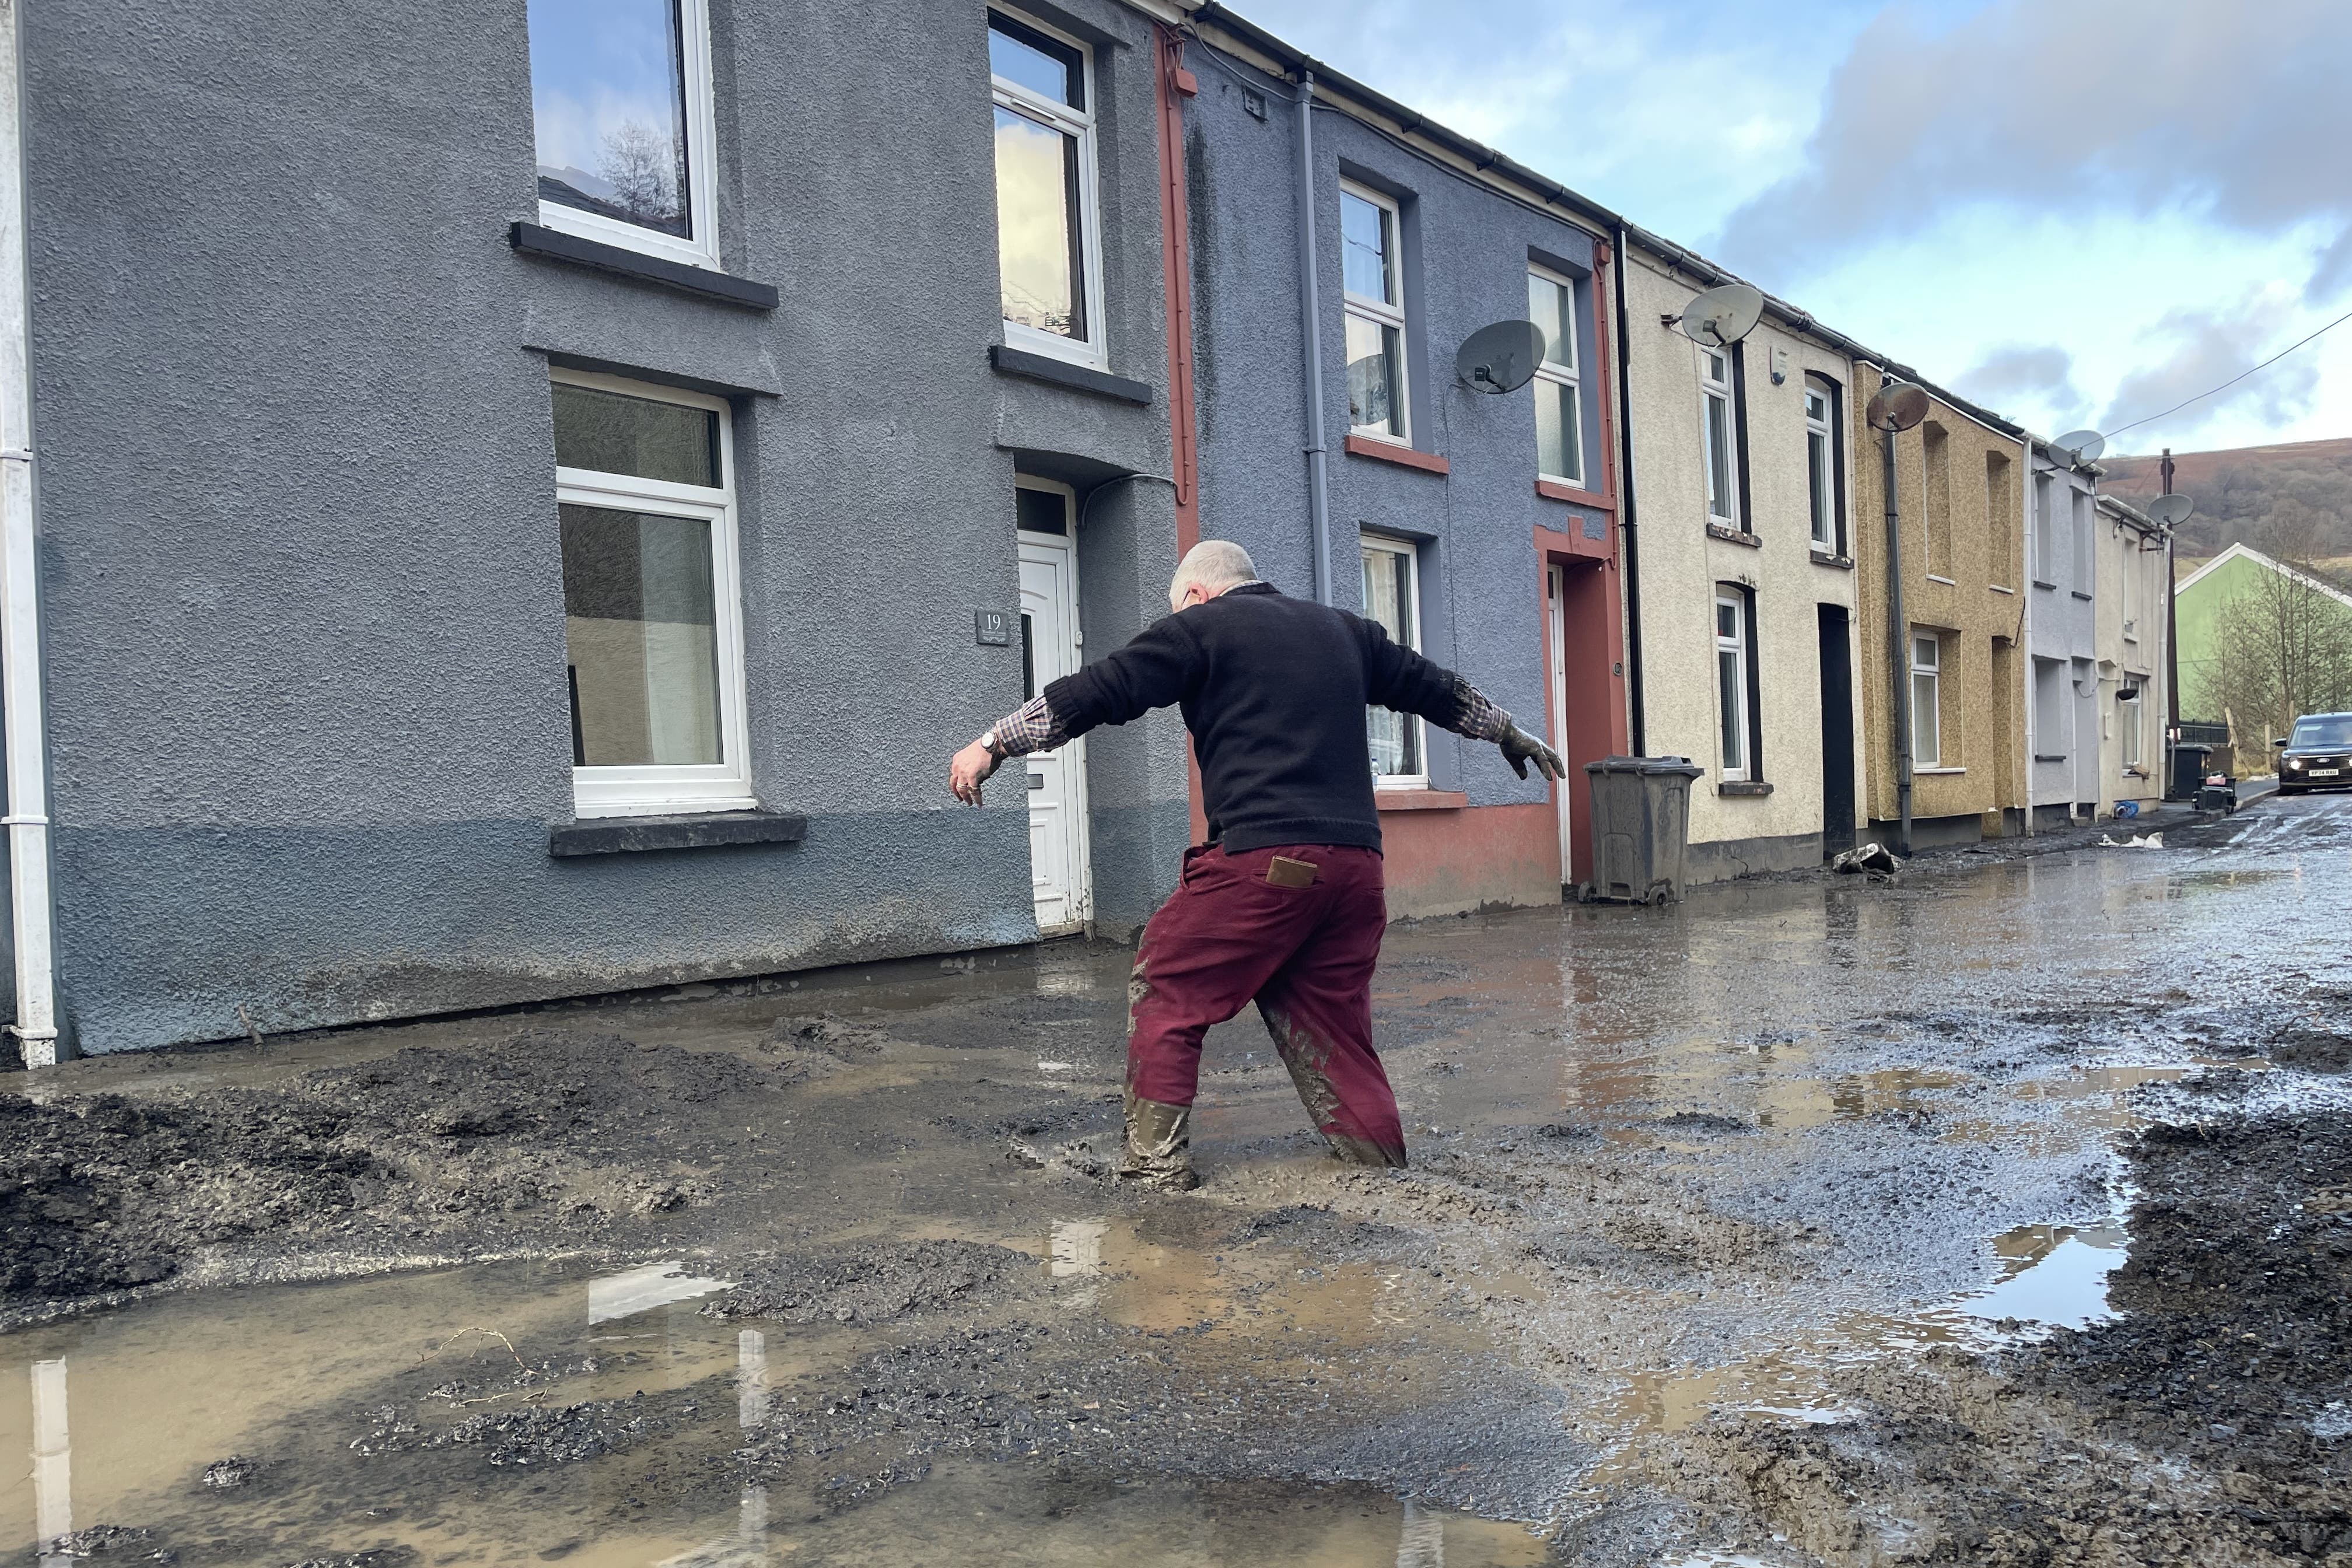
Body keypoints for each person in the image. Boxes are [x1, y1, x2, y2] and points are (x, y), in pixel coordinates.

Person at [949, 540, 1564, 1190]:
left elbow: (1100, 690)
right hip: (1357, 872)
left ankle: (1153, 1175)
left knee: (1167, 987)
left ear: (1196, 595)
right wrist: (1507, 730)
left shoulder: (1202, 629)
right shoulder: (1347, 632)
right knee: (1332, 1025)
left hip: (1268, 862)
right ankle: (1383, 1175)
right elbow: (1436, 690)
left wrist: (994, 744)